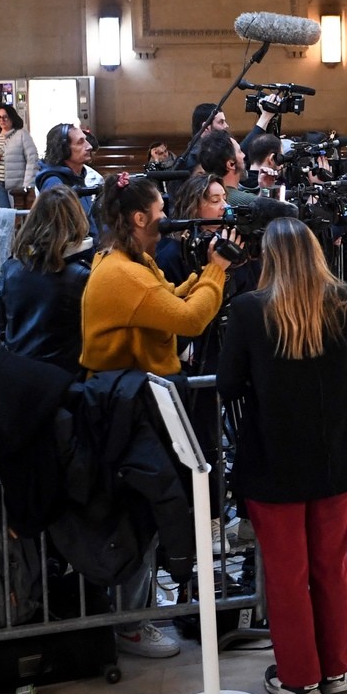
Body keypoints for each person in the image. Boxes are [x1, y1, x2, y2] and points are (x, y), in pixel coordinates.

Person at [218, 217, 347, 694]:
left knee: (286, 574)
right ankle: (335, 669)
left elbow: (228, 386)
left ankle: (300, 678)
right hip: (336, 456)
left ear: (270, 259)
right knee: (331, 566)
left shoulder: (247, 311)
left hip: (275, 461)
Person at [80, 172, 230, 657]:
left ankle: (137, 609)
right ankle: (129, 624)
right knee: (138, 513)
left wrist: (200, 274)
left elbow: (166, 297)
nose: (167, 221)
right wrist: (217, 272)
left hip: (135, 397)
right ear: (139, 218)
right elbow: (188, 319)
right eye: (161, 214)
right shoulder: (122, 274)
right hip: (125, 407)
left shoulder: (129, 259)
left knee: (147, 509)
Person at [0, 186, 91, 374]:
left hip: (15, 371)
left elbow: (1, 329)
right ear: (77, 219)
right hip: (62, 378)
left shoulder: (11, 268)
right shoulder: (82, 275)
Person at [35, 121, 95, 219]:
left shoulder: (77, 176)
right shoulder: (54, 183)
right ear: (64, 149)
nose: (89, 146)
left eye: (86, 140)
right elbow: (58, 230)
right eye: (80, 142)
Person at [0, 103, 38, 210]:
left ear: (12, 118)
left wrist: (27, 184)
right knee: (3, 216)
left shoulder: (22, 135)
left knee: (18, 217)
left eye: (5, 117)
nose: (2, 120)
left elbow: (32, 160)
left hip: (17, 185)